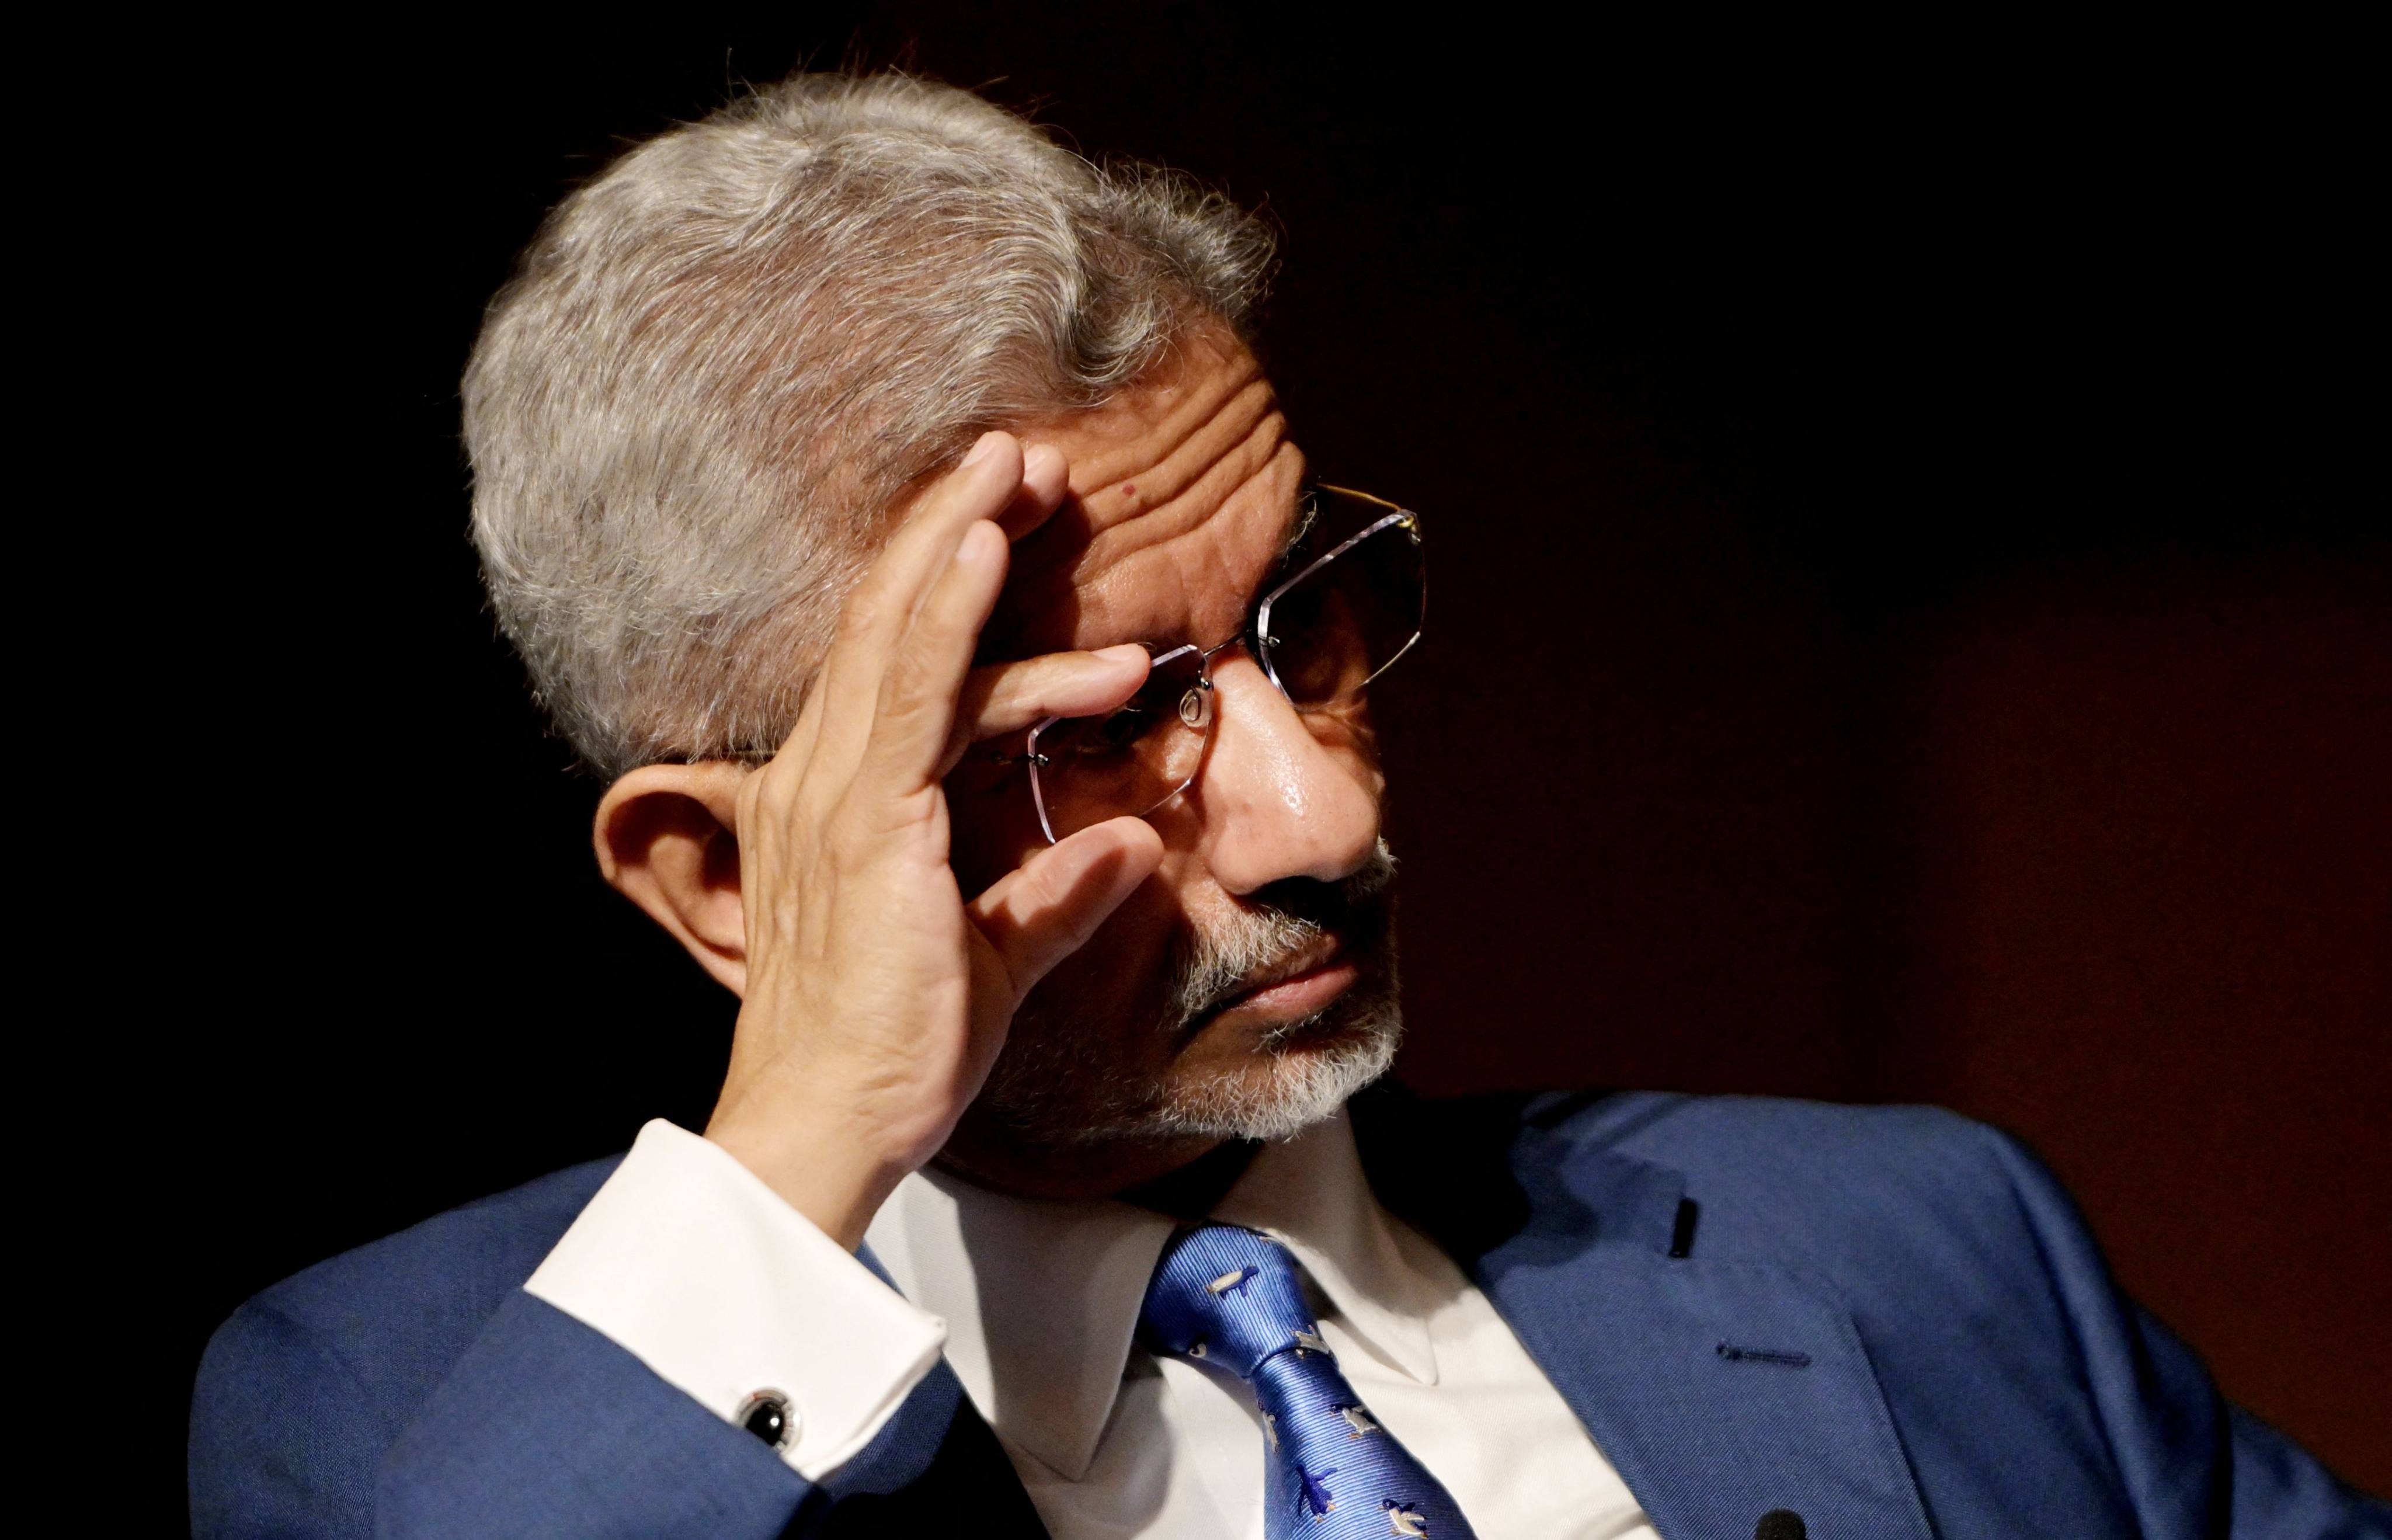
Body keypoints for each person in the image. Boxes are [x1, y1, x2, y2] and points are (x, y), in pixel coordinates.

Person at [188, 72, 2383, 1539]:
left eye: (1312, 620)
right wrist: (791, 1167)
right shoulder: (387, 1411)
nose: (1322, 807)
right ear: (723, 876)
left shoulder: (1918, 1249)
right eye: (1104, 729)